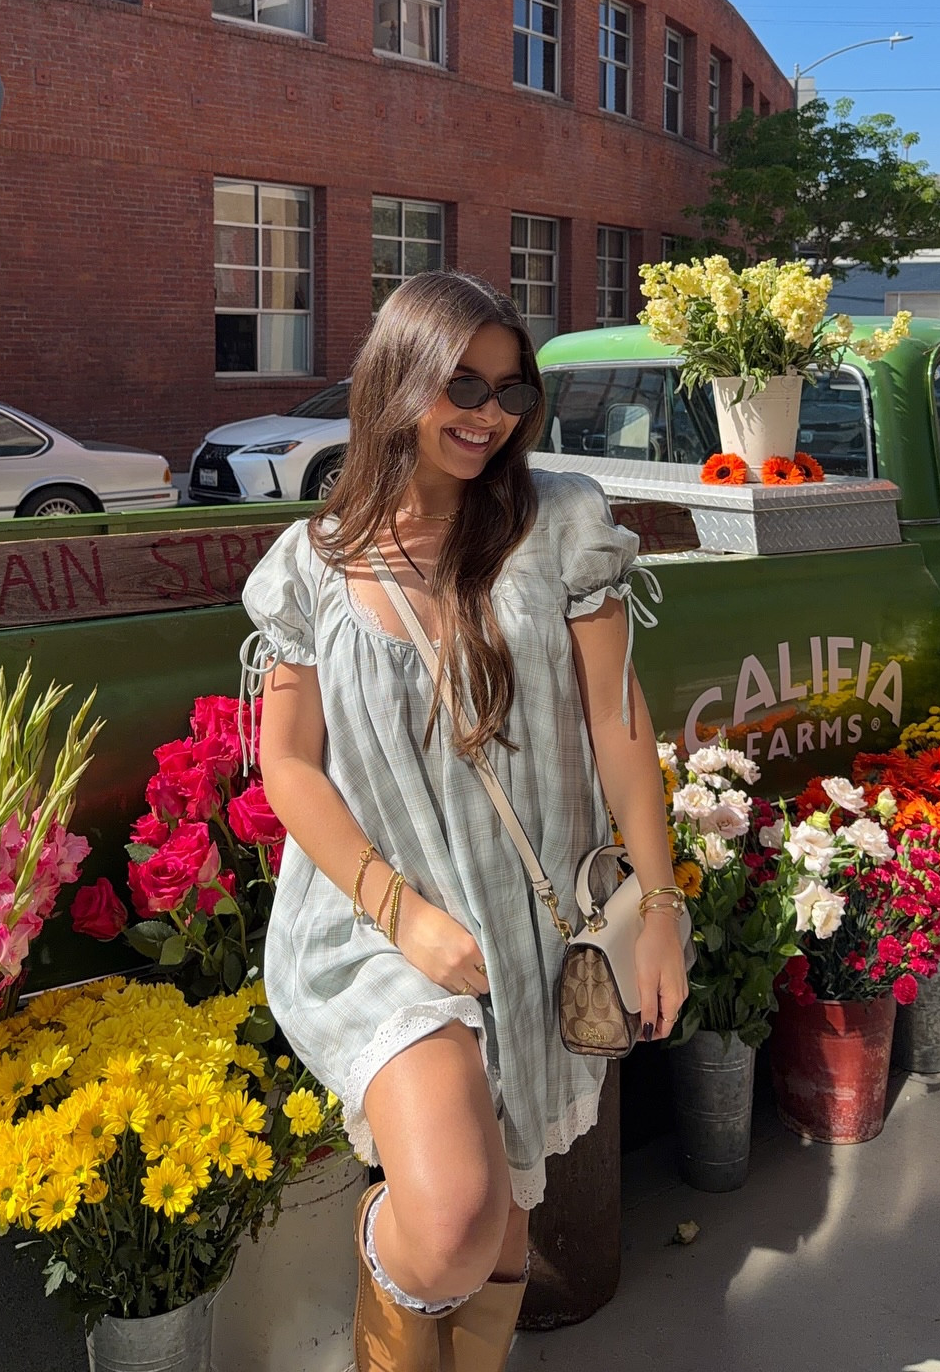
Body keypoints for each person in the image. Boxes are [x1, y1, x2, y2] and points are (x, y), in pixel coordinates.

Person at [241, 270, 689, 1372]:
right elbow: (287, 766)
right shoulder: (307, 569)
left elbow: (618, 721)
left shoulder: (559, 528)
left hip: (523, 909)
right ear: (396, 381)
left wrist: (665, 901)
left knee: (506, 1213)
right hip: (375, 919)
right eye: (461, 384)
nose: (488, 414)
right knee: (450, 1220)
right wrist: (402, 914)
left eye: (509, 390)